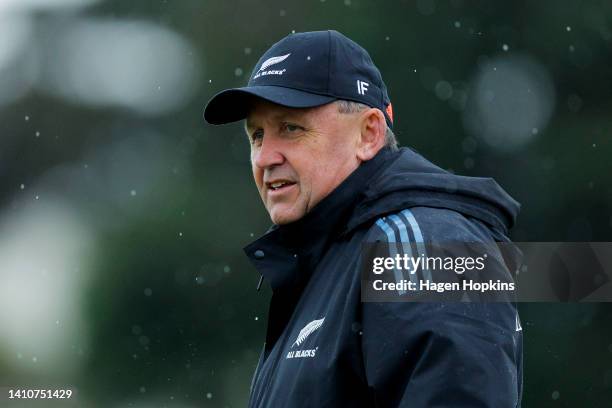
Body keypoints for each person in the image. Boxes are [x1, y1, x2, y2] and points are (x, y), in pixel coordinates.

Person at [204, 30, 523, 407]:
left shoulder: (422, 246)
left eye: (290, 128)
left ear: (369, 134)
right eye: (257, 135)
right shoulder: (328, 258)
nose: (264, 157)